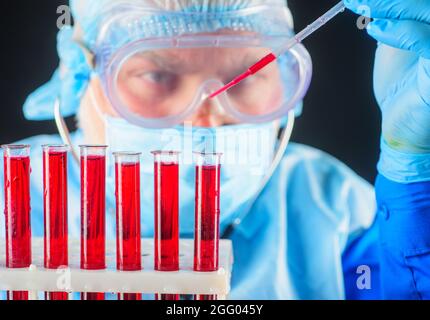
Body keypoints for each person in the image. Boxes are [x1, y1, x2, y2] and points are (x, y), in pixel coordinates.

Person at [1, 0, 430, 300]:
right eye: (155, 74)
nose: (204, 119)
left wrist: (413, 188)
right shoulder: (13, 201)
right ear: (83, 73)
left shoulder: (335, 210)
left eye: (244, 77)